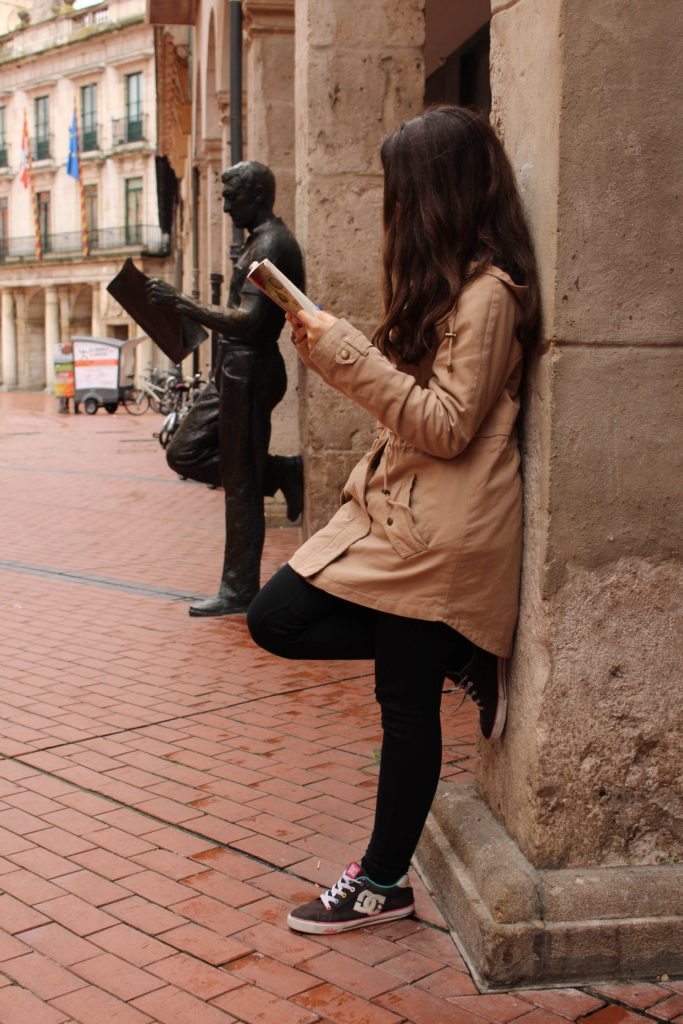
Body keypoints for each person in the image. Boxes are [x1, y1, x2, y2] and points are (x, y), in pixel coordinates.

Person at [246, 106, 540, 935]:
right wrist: (330, 342)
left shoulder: (490, 295)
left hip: (439, 536)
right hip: (398, 517)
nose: (396, 207)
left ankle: (381, 883)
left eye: (405, 191)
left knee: (403, 709)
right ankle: (457, 649)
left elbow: (446, 426)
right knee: (276, 618)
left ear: (442, 191)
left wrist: (345, 354)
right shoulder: (452, 284)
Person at [146, 161, 304, 616]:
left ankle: (239, 589)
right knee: (183, 451)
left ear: (257, 195)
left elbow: (252, 321)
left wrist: (182, 303)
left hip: (250, 369)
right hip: (233, 368)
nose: (225, 206)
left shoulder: (273, 244)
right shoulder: (257, 240)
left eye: (232, 197)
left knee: (240, 484)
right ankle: (279, 473)